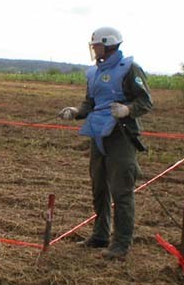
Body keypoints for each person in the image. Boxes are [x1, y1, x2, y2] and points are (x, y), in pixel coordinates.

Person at [59, 26, 152, 260]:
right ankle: (100, 235)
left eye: (97, 45)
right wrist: (76, 111)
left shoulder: (130, 68)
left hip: (121, 135)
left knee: (121, 190)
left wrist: (128, 110)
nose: (94, 49)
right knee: (98, 187)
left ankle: (121, 243)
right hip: (98, 133)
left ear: (109, 44)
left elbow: (146, 102)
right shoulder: (93, 73)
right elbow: (90, 103)